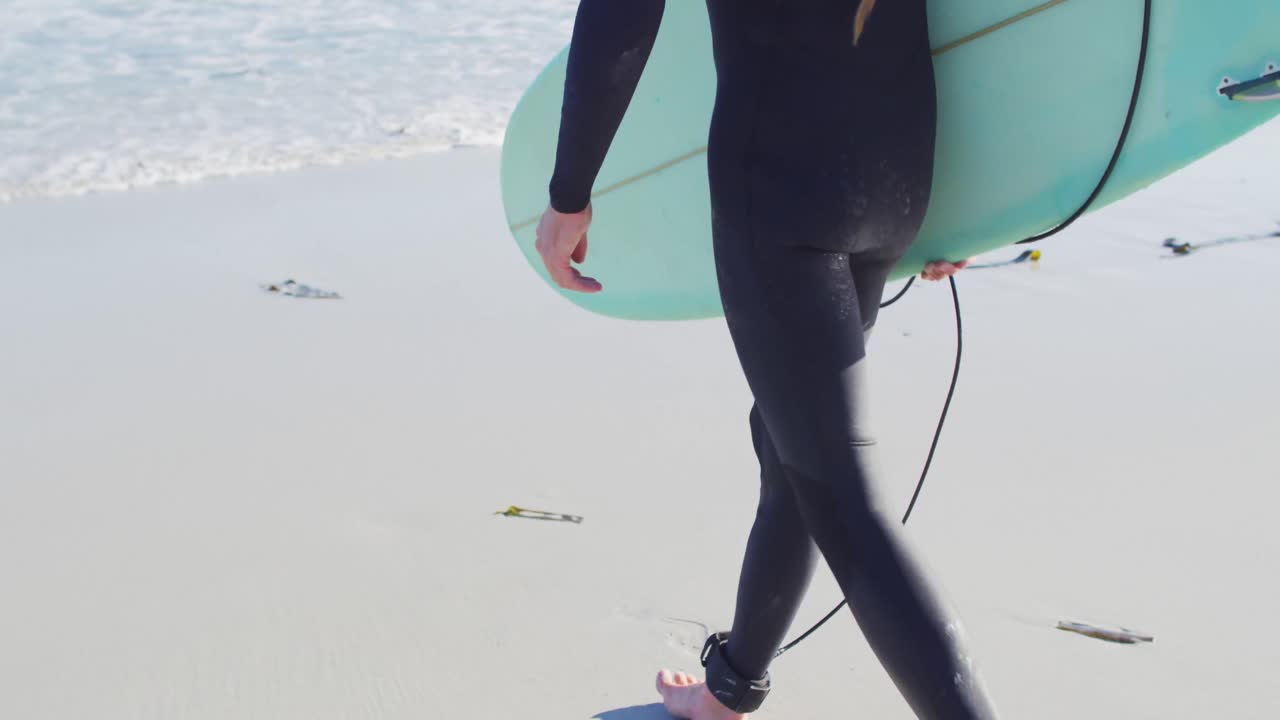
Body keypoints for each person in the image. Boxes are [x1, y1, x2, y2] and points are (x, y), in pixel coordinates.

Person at [533, 1, 994, 718]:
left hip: (785, 192)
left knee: (840, 495)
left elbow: (621, 19)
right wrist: (985, 202)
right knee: (794, 445)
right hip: (897, 175)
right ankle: (731, 688)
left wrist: (569, 195)